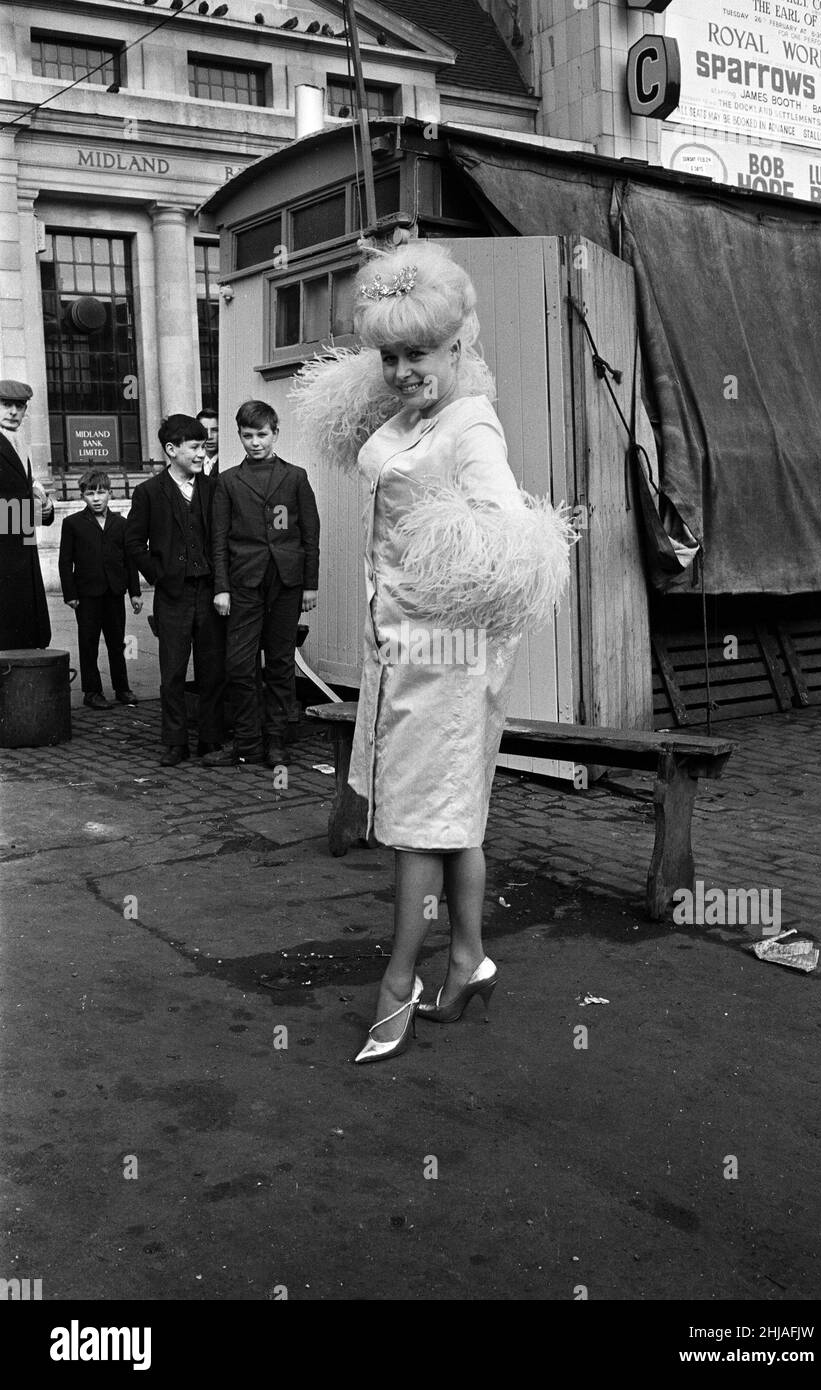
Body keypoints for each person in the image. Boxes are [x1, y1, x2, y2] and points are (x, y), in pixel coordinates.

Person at [292, 242, 575, 1065]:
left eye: (420, 353)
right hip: (408, 651)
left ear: (461, 347)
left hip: (447, 656)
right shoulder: (415, 412)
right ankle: (467, 956)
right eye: (390, 355)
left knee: (419, 826)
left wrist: (434, 584)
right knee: (452, 821)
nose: (403, 370)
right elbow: (369, 431)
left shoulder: (471, 426)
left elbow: (506, 541)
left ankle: (397, 980)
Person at [206, 400, 320, 768]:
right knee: (239, 665)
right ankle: (246, 742)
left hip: (286, 583)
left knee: (280, 663)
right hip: (243, 583)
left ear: (275, 433)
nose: (255, 442)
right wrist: (221, 587)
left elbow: (309, 535)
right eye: (247, 435)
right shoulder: (228, 481)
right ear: (238, 436)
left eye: (262, 435)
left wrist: (309, 585)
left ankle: (276, 742)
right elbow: (219, 540)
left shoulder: (295, 477)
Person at [126, 414, 225, 766]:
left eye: (203, 446)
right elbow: (134, 542)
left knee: (212, 670)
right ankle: (175, 740)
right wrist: (160, 576)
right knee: (172, 672)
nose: (202, 453)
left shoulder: (214, 488)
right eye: (195, 447)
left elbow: (222, 540)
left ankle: (211, 739)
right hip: (173, 596)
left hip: (210, 593)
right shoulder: (149, 492)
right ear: (172, 450)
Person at [58, 467, 142, 709]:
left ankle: (122, 687)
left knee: (118, 643)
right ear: (82, 496)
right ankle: (92, 691)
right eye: (90, 494)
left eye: (101, 492)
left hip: (115, 592)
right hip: (86, 594)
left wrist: (135, 592)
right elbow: (65, 562)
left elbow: (129, 560)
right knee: (88, 642)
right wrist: (70, 594)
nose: (96, 498)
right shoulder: (72, 523)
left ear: (110, 494)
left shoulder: (121, 523)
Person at [0, 379, 54, 649]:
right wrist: (26, 509)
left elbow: (23, 491)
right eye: (5, 405)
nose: (12, 412)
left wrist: (45, 508)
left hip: (22, 549)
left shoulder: (20, 445)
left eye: (19, 406)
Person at [196, 408, 219, 477]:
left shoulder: (228, 462)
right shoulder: (191, 463)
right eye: (204, 430)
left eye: (215, 430)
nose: (209, 436)